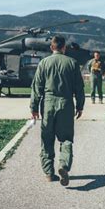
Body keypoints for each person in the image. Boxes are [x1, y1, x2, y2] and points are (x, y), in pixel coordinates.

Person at [30, 36, 85, 186]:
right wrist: (80, 105)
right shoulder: (72, 63)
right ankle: (64, 165)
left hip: (48, 104)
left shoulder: (43, 63)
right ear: (64, 47)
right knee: (66, 139)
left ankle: (49, 173)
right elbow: (79, 88)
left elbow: (36, 88)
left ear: (51, 48)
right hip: (66, 104)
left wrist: (34, 107)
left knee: (47, 139)